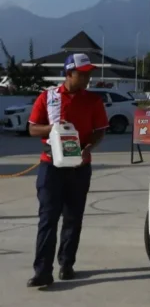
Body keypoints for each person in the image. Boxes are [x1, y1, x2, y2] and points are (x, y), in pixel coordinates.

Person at [26, 53, 109, 288]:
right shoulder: (48, 97)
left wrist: (88, 147)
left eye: (89, 74)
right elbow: (32, 129)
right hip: (50, 165)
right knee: (48, 218)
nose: (88, 78)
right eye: (83, 74)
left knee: (73, 217)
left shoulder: (93, 100)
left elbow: (100, 130)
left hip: (79, 167)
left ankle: (67, 263)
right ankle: (43, 271)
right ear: (69, 73)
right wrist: (51, 128)